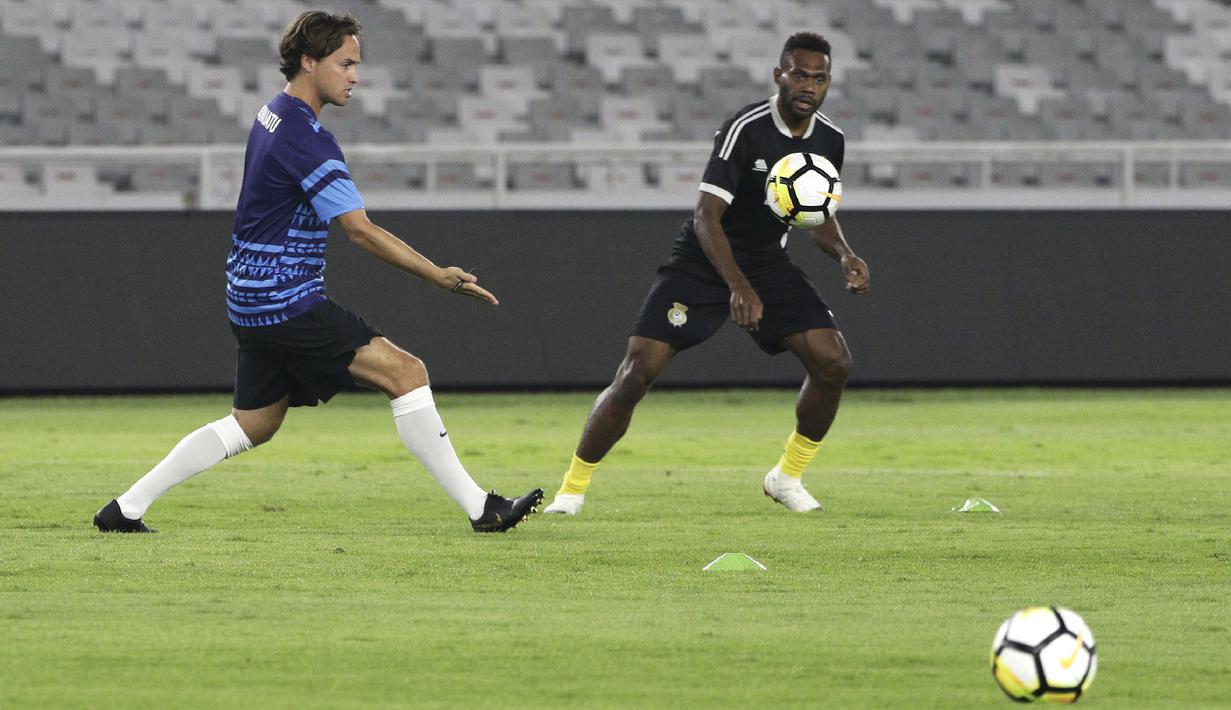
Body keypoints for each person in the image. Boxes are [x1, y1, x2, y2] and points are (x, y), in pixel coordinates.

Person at [94, 11, 542, 534]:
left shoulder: (271, 114)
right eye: (345, 63)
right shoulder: (308, 139)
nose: (355, 76)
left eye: (357, 64)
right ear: (309, 62)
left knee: (253, 424)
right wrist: (437, 274)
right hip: (284, 298)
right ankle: (481, 508)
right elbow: (360, 231)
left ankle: (123, 509)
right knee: (407, 373)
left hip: (248, 294)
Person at [543, 32, 871, 516]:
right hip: (702, 259)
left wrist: (844, 253)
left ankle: (786, 477)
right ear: (779, 75)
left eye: (819, 78)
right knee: (637, 373)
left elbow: (814, 212)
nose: (808, 85)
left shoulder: (831, 140)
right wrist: (737, 286)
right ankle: (571, 491)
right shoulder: (746, 128)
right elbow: (705, 216)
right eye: (799, 74)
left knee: (833, 362)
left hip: (766, 261)